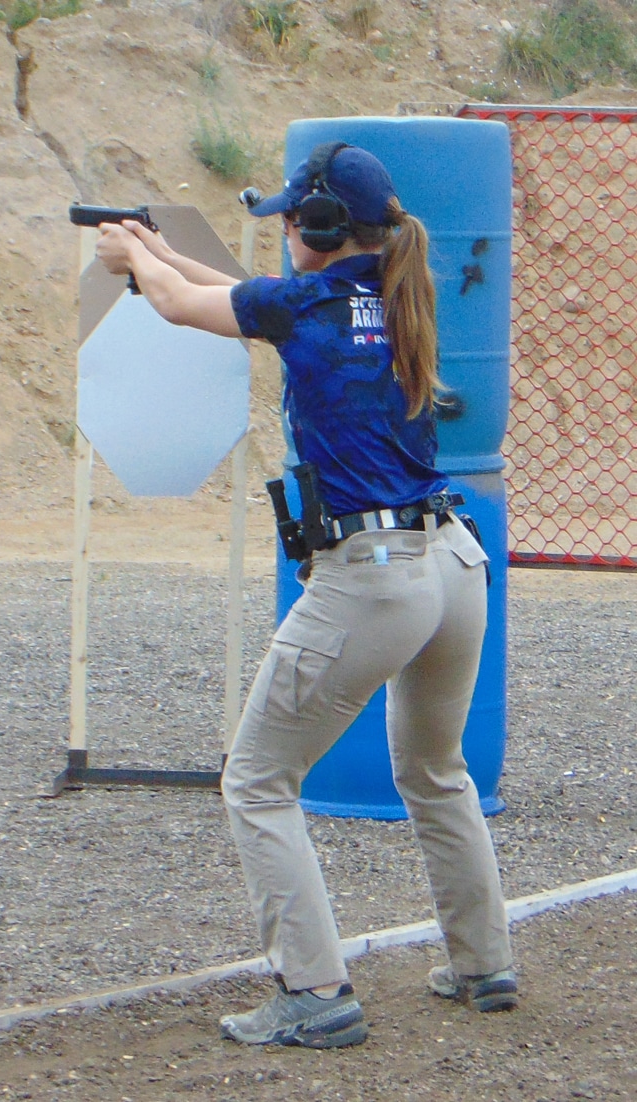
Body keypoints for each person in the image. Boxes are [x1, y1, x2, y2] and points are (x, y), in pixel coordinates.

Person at [93, 142, 517, 1049]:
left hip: (374, 583)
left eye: (294, 216)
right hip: (452, 567)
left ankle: (312, 991)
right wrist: (154, 251)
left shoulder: (304, 303)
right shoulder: (400, 292)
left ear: (322, 229)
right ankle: (484, 964)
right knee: (436, 773)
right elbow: (243, 297)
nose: (284, 228)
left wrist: (138, 265)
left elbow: (184, 305)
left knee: (255, 781)